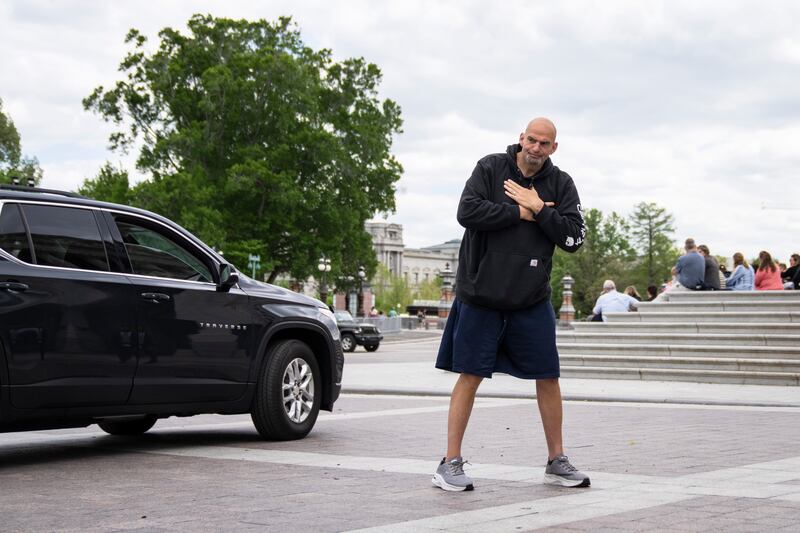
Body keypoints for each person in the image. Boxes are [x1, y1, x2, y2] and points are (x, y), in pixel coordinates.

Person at [433, 117, 589, 492]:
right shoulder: (490, 168)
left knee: (548, 378)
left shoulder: (561, 183)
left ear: (554, 148)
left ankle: (557, 461)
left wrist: (540, 208)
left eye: (544, 143)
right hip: (481, 295)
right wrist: (517, 211)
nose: (536, 148)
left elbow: (574, 239)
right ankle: (449, 463)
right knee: (469, 375)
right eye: (531, 140)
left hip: (530, 299)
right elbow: (466, 212)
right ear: (521, 139)